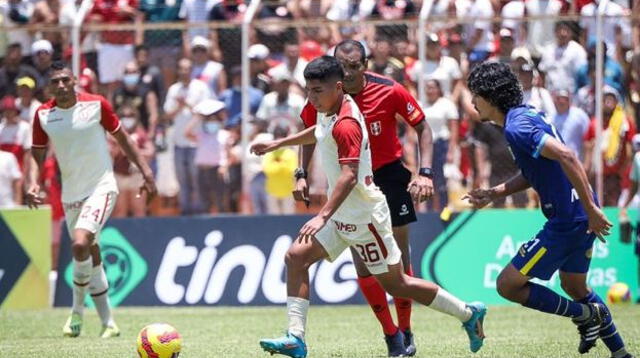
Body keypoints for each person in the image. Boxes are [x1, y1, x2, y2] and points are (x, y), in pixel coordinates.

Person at [253, 55, 486, 358]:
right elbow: (319, 131)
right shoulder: (329, 108)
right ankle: (295, 337)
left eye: (317, 91)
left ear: (338, 87)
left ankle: (469, 314)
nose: (312, 98)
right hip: (342, 216)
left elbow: (349, 176)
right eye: (308, 91)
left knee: (398, 284)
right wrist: (277, 144)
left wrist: (321, 216)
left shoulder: (348, 122)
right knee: (295, 258)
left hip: (364, 218)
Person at [465, 61, 633, 358]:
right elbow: (535, 172)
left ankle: (583, 315)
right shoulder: (525, 116)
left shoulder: (517, 128)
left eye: (475, 95)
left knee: (507, 285)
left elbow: (567, 156)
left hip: (569, 220)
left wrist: (592, 208)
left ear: (490, 97)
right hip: (578, 216)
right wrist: (495, 192)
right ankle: (621, 354)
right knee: (574, 285)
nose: (472, 102)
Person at [296, 40, 435, 356]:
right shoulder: (323, 96)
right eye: (342, 64)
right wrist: (300, 173)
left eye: (354, 65)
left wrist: (425, 172)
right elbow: (309, 131)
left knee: (399, 259)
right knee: (363, 261)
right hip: (351, 184)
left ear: (366, 65)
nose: (347, 71)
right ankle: (392, 337)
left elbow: (423, 127)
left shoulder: (390, 90)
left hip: (387, 177)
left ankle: (407, 328)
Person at [25, 61, 157, 338]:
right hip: (71, 192)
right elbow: (37, 153)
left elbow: (124, 139)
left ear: (75, 81)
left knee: (80, 242)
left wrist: (146, 172)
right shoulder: (43, 115)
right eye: (55, 82)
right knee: (90, 252)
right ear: (49, 87)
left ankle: (75, 312)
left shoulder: (96, 104)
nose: (61, 86)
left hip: (101, 186)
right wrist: (33, 182)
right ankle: (108, 322)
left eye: (65, 80)